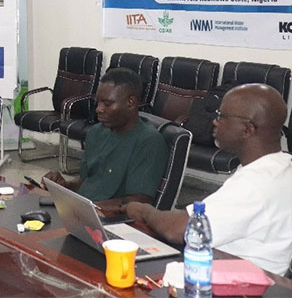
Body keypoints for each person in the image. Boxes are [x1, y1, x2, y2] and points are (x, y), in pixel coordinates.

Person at [124, 84, 292, 275]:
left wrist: (144, 211)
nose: (215, 122)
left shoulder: (257, 184)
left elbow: (179, 230)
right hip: (242, 271)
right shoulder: (282, 165)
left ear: (247, 129)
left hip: (238, 283)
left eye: (221, 116)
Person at [43, 68, 168, 203]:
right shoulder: (95, 133)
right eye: (98, 102)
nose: (99, 109)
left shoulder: (149, 142)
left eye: (107, 104)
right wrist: (64, 185)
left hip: (112, 219)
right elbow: (85, 181)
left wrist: (90, 208)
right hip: (84, 210)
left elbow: (138, 201)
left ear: (131, 103)